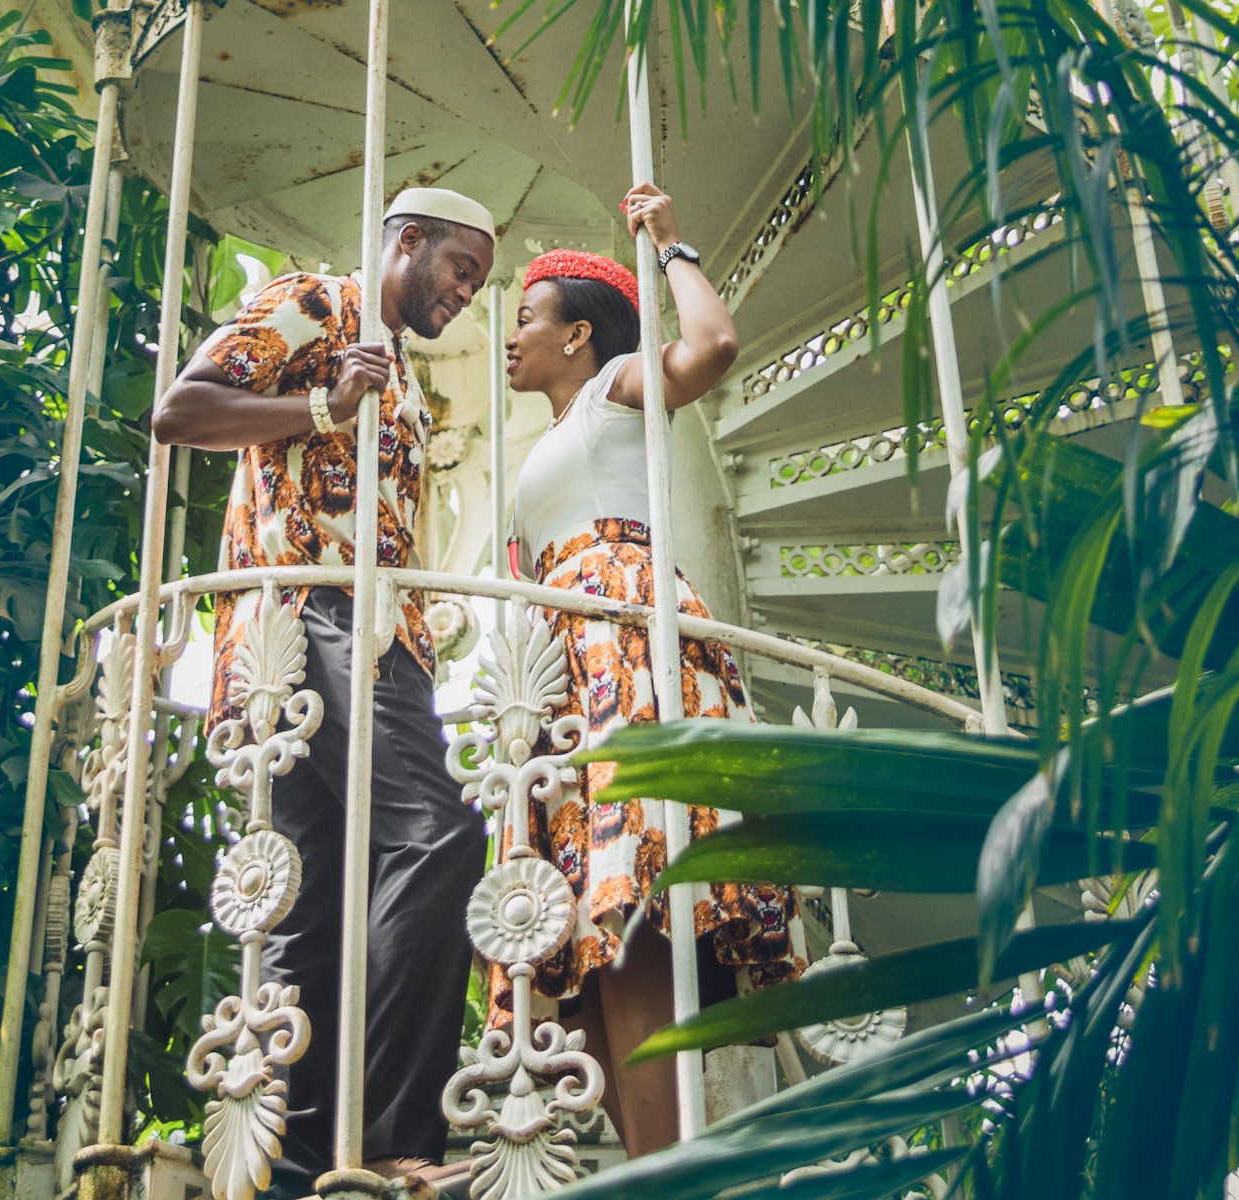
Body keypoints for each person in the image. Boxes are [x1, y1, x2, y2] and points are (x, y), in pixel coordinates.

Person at [153, 187, 494, 1198]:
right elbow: (180, 412)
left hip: (358, 637)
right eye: (457, 269)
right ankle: (397, 1135)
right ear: (407, 241)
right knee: (438, 834)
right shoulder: (317, 305)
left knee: (312, 899)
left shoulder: (401, 372)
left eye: (478, 283)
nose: (466, 294)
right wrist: (318, 406)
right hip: (314, 614)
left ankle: (296, 1165)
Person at [496, 182, 807, 1157]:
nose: (510, 337)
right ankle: (647, 1165)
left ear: (581, 335)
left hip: (622, 637)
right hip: (558, 661)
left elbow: (711, 350)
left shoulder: (615, 386)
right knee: (585, 934)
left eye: (526, 318)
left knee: (632, 900)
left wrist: (671, 246)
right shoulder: (552, 437)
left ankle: (668, 1171)